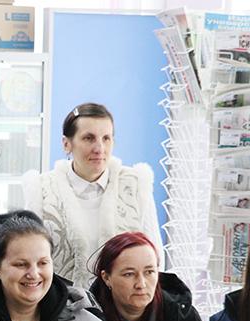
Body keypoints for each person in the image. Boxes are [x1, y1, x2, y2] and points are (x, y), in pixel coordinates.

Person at [23, 102, 162, 287]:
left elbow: (155, 257)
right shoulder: (41, 189)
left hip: (124, 303)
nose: (99, 148)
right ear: (66, 144)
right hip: (61, 302)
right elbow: (29, 258)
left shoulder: (135, 184)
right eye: (89, 138)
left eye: (106, 138)